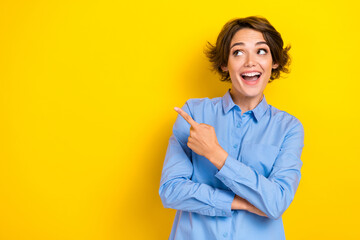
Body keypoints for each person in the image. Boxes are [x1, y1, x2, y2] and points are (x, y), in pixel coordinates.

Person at [159, 16, 304, 240]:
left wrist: (215, 155)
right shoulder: (194, 114)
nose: (250, 62)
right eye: (238, 52)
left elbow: (276, 202)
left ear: (274, 61)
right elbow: (171, 191)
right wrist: (240, 203)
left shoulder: (288, 128)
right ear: (224, 64)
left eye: (261, 51)